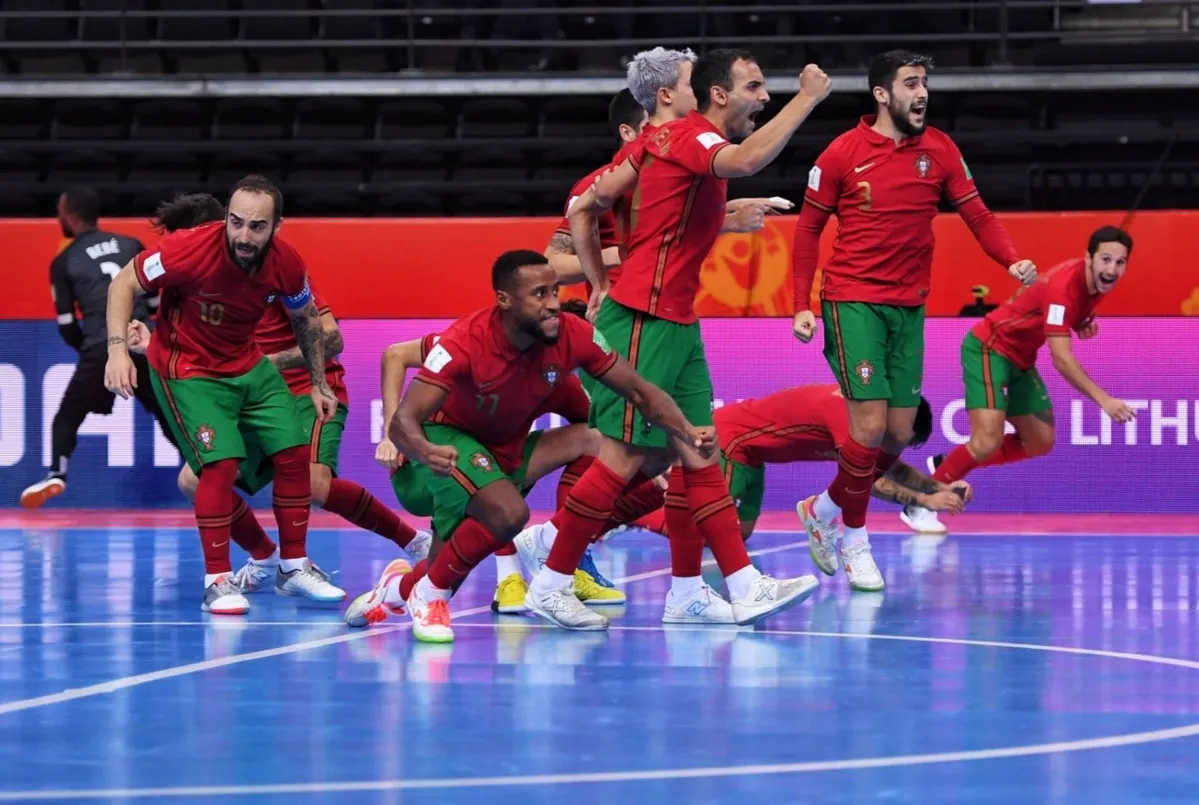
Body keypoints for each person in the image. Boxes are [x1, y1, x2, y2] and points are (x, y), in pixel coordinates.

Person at [518, 49, 831, 629]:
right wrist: (807, 96)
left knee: (697, 448)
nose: (760, 97)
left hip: (677, 320)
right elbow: (747, 158)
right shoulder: (689, 138)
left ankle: (707, 589)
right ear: (695, 94)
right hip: (644, 319)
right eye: (753, 87)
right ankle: (552, 570)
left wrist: (601, 278)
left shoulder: (650, 146)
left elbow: (591, 207)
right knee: (624, 455)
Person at [343, 249, 712, 643]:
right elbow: (403, 420)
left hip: (498, 458)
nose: (553, 303)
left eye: (555, 291)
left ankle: (399, 590)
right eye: (539, 294)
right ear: (504, 299)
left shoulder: (571, 336)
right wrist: (421, 449)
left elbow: (640, 392)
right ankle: (430, 595)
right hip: (436, 456)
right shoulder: (464, 342)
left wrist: (686, 432)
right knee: (506, 515)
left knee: (594, 439)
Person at [791, 49, 1037, 592]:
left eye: (925, 82)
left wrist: (1010, 259)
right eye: (910, 83)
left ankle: (823, 506)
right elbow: (807, 232)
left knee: (900, 431)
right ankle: (854, 539)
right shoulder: (841, 154)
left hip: (910, 305)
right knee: (871, 426)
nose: (921, 92)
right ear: (882, 94)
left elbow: (977, 212)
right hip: (852, 300)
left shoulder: (941, 149)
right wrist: (801, 304)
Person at [127, 191, 435, 590]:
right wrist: (147, 343)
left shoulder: (273, 267)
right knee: (192, 479)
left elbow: (333, 338)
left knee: (313, 483)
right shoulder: (190, 282)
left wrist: (266, 365)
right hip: (248, 396)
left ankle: (412, 541)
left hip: (305, 388)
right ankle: (265, 557)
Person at [104, 176, 345, 615]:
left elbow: (306, 320)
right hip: (187, 369)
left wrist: (317, 381)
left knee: (293, 450)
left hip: (246, 363)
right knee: (219, 463)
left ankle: (292, 568)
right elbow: (123, 284)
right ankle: (217, 582)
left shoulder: (287, 263)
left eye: (256, 226)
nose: (243, 235)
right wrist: (117, 350)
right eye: (236, 223)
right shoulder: (188, 250)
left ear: (277, 226)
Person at [374, 323, 628, 612]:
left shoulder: (557, 380)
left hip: (488, 467)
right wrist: (391, 431)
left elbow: (607, 436)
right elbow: (394, 355)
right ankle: (508, 576)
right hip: (425, 464)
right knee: (483, 524)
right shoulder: (472, 342)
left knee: (592, 439)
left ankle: (555, 554)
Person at [905, 226, 1135, 533]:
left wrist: (1080, 323)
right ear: (1088, 258)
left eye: (1120, 263)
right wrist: (1104, 399)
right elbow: (1062, 359)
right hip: (989, 349)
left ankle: (950, 463)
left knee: (1040, 441)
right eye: (1105, 260)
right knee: (987, 441)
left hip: (1020, 359)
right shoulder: (1064, 286)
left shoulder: (1095, 284)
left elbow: (1058, 315)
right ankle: (919, 504)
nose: (1112, 269)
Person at [630, 386, 972, 552]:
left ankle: (643, 502)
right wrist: (924, 503)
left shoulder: (873, 419)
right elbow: (865, 480)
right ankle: (631, 514)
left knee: (741, 533)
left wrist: (936, 488)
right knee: (704, 534)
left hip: (754, 457)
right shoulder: (850, 415)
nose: (892, 447)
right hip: (731, 443)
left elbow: (891, 468)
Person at [19, 187, 179, 508]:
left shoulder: (64, 261)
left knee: (67, 416)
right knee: (167, 414)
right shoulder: (132, 245)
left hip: (100, 346)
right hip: (139, 340)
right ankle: (204, 466)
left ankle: (57, 474)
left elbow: (66, 324)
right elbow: (156, 302)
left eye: (59, 210)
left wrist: (90, 352)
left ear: (70, 215)